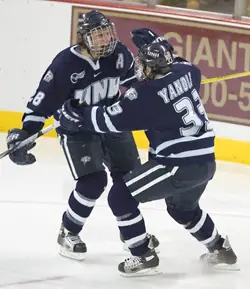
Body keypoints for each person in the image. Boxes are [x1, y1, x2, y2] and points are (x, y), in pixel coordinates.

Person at [58, 36, 238, 276]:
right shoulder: (187, 72)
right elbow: (184, 64)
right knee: (182, 209)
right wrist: (157, 43)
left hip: (176, 164)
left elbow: (110, 120)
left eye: (143, 64)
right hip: (206, 162)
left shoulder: (146, 95)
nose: (139, 68)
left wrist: (77, 113)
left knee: (120, 196)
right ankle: (220, 249)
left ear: (151, 68)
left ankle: (142, 255)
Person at [6, 11, 159, 260]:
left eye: (107, 32)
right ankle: (68, 231)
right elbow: (43, 100)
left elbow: (136, 84)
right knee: (93, 182)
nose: (106, 39)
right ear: (84, 38)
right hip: (78, 132)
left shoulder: (120, 53)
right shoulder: (66, 64)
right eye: (99, 35)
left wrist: (155, 89)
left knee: (129, 182)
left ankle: (131, 234)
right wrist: (25, 132)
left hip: (111, 124)